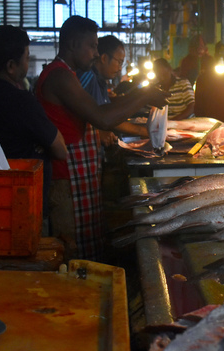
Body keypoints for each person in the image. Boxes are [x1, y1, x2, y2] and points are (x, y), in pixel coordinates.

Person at [35, 15, 168, 261]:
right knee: (73, 252)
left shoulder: (69, 75)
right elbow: (102, 118)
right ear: (74, 44)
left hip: (79, 175)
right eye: (92, 46)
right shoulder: (59, 76)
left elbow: (105, 109)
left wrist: (141, 96)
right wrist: (145, 94)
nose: (96, 54)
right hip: (66, 178)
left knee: (88, 245)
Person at [0, 25, 67, 220]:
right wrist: (39, 147)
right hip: (22, 203)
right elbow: (60, 150)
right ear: (11, 66)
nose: (28, 63)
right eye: (27, 58)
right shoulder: (20, 101)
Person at [78, 35, 148, 145]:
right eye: (119, 62)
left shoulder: (100, 81)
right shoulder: (88, 78)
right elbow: (105, 118)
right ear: (104, 58)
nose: (120, 68)